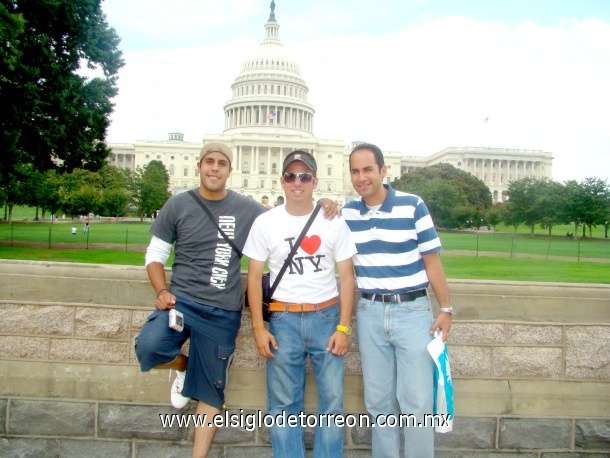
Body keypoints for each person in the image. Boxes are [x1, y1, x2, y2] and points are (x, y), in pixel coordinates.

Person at [135, 142, 338, 458]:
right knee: (149, 348)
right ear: (200, 165)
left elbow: (288, 214)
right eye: (209, 162)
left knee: (212, 391)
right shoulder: (177, 204)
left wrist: (323, 203)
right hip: (182, 303)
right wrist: (162, 291)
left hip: (222, 311)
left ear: (231, 169)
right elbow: (155, 253)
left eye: (221, 163)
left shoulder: (248, 208)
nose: (214, 168)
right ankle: (186, 367)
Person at [342, 143, 453, 458]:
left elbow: (432, 261)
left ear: (382, 170)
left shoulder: (412, 205)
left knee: (417, 401)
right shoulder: (348, 211)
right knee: (379, 403)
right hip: (370, 312)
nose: (362, 177)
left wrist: (446, 308)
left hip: (412, 311)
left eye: (367, 169)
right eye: (355, 171)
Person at [243, 150, 357, 458]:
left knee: (332, 404)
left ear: (314, 181)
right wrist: (258, 327)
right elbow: (254, 278)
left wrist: (344, 327)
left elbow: (347, 278)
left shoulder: (333, 222)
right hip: (283, 320)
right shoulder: (266, 223)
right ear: (281, 181)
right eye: (291, 176)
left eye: (304, 176)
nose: (297, 183)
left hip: (326, 318)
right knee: (282, 406)